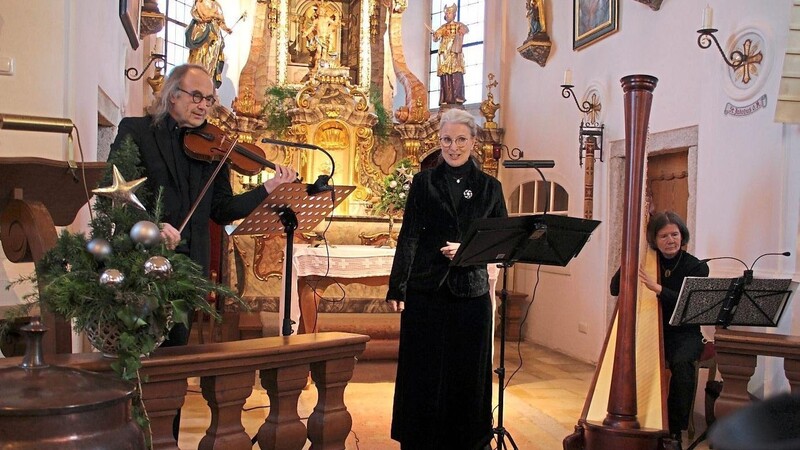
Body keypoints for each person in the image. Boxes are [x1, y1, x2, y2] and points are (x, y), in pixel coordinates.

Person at [109, 64, 297, 439]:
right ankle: (128, 440)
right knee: (137, 362)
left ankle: (167, 442)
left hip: (186, 272)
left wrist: (267, 190)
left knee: (173, 370)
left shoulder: (214, 146)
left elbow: (221, 209)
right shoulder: (136, 131)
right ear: (171, 94)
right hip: (139, 266)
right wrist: (150, 224)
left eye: (210, 99)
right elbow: (115, 191)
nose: (204, 106)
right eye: (196, 96)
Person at [387, 108, 507, 449]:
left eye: (460, 140)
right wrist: (397, 286)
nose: (453, 147)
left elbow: (501, 241)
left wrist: (469, 250)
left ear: (473, 142)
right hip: (426, 289)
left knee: (468, 373)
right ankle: (419, 439)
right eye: (446, 140)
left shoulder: (489, 187)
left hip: (471, 292)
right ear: (438, 142)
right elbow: (409, 235)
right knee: (422, 371)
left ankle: (469, 440)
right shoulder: (424, 182)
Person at [610, 211, 709, 445]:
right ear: (654, 240)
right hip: (652, 330)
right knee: (627, 359)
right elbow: (616, 289)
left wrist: (658, 289)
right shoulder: (647, 261)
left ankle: (674, 432)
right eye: (664, 236)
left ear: (682, 235)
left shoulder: (696, 267)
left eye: (674, 234)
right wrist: (629, 260)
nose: (670, 240)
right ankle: (636, 417)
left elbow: (688, 304)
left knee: (682, 364)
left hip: (685, 332)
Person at [185, 0, 232, 88]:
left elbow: (221, 21)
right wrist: (215, 16)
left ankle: (208, 77)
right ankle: (197, 78)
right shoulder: (200, 2)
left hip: (215, 35)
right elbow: (204, 16)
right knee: (200, 56)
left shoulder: (216, 5)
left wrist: (226, 29)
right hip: (202, 32)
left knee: (212, 58)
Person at [431, 4, 469, 105]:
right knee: (445, 75)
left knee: (456, 73)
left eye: (449, 13)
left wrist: (461, 31)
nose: (447, 15)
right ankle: (446, 98)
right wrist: (435, 35)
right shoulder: (443, 27)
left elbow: (465, 29)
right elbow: (436, 38)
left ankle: (457, 96)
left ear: (454, 14)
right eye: (446, 13)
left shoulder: (458, 25)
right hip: (444, 53)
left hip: (455, 53)